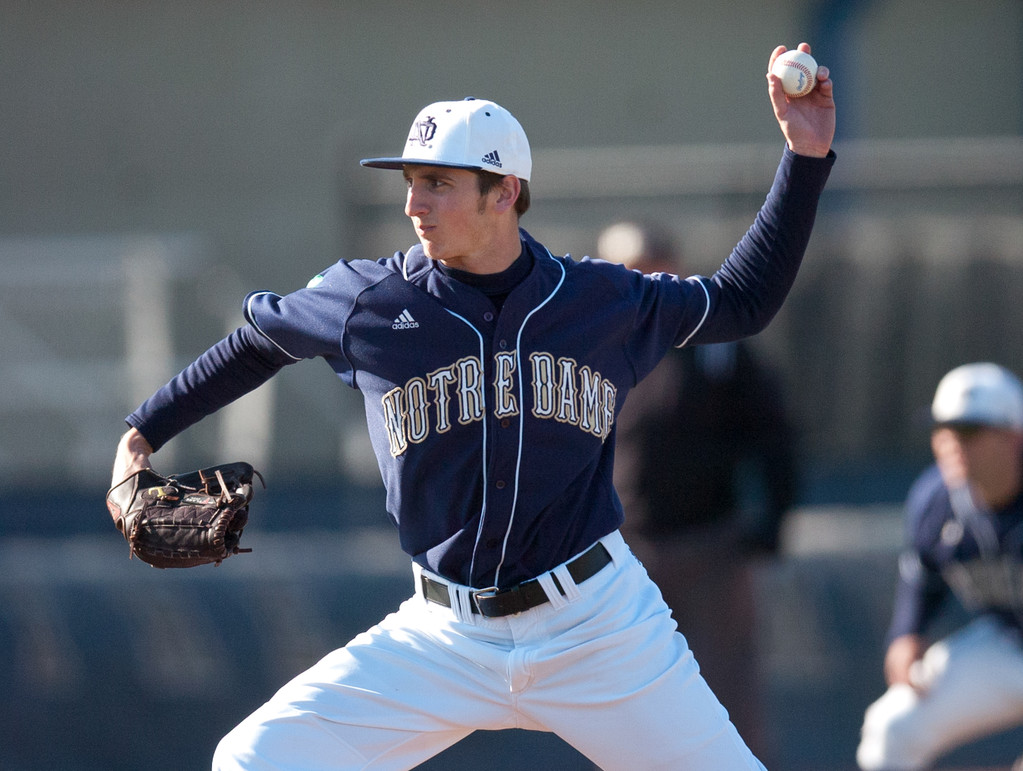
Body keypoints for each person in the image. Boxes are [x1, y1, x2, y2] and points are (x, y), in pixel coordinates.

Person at [111, 43, 835, 771]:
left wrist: (804, 158)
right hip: (443, 634)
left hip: (595, 626)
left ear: (503, 191)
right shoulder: (368, 301)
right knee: (254, 759)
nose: (412, 203)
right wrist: (142, 432)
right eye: (410, 182)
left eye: (437, 183)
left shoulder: (598, 300)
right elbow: (255, 344)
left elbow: (741, 300)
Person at [596, 219, 798, 762]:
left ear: (673, 270)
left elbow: (774, 435)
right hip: (623, 554)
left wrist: (772, 523)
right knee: (620, 695)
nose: (639, 282)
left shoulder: (717, 346)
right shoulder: (594, 346)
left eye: (650, 268)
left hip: (711, 546)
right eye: (625, 271)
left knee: (726, 691)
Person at [857, 363, 1023, 771]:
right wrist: (907, 631)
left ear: (1013, 437)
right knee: (891, 728)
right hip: (1008, 644)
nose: (952, 443)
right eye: (941, 430)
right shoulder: (936, 500)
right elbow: (923, 572)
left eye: (969, 430)